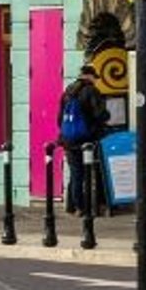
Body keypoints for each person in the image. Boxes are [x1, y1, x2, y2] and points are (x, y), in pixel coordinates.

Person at [56, 66, 110, 215]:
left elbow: (60, 118)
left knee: (75, 173)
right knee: (95, 172)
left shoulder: (68, 91)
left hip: (69, 140)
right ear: (90, 76)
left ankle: (74, 206)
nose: (96, 81)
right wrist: (107, 116)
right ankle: (95, 205)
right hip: (87, 140)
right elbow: (100, 114)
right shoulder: (91, 91)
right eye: (95, 78)